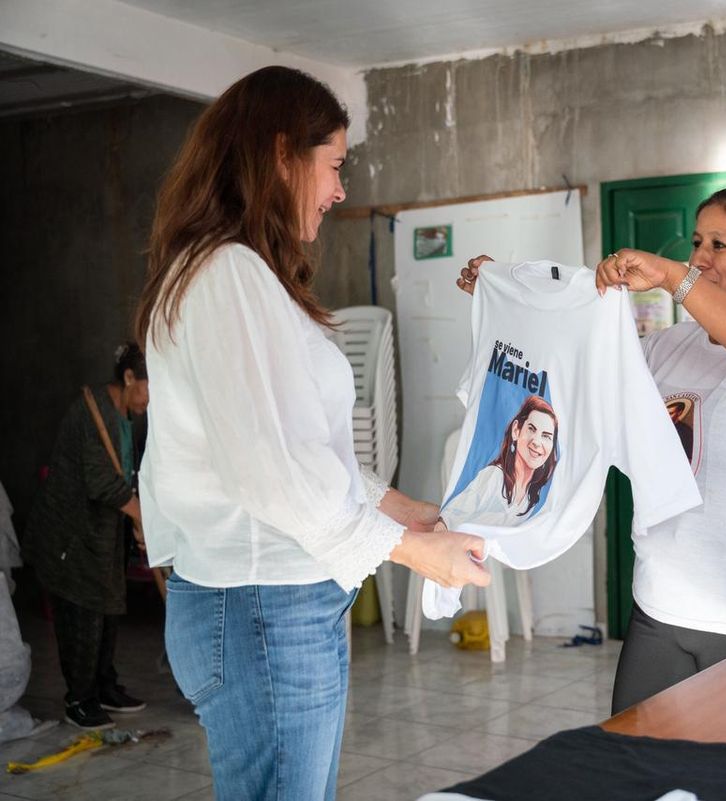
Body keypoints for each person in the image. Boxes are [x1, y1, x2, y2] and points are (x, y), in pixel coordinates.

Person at [133, 66, 490, 801]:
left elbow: (298, 450)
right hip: (260, 605)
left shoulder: (238, 273)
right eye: (333, 166)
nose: (338, 192)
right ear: (280, 156)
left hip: (268, 604)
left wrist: (404, 510)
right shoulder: (226, 273)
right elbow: (271, 471)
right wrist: (417, 552)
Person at [459, 185, 726, 713]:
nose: (700, 257)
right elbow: (571, 368)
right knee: (639, 777)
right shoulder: (665, 348)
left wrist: (669, 276)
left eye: (719, 246)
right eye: (697, 242)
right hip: (659, 609)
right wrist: (507, 297)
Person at [24, 343, 150, 730]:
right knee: (83, 615)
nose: (153, 399)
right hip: (71, 537)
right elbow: (100, 482)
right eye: (151, 386)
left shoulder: (125, 415)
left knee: (108, 610)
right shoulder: (90, 412)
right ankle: (79, 699)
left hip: (102, 537)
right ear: (128, 378)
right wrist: (140, 515)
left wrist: (137, 517)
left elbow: (125, 476)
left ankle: (103, 686)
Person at [441, 395, 559, 529]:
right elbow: (449, 517)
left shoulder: (533, 494)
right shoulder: (494, 478)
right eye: (531, 429)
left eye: (546, 436)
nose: (537, 442)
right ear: (516, 430)